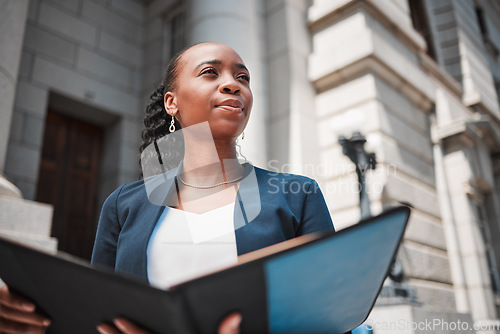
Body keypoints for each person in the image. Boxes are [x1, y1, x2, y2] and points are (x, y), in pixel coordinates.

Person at [0, 42, 334, 334]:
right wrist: (33, 322)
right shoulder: (123, 205)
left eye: (243, 77)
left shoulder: (297, 195)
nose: (233, 84)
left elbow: (330, 314)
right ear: (171, 103)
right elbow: (97, 316)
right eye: (210, 73)